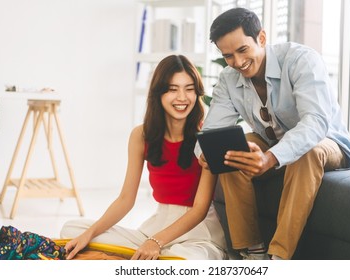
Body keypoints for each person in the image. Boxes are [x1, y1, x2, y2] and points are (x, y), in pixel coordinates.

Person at [194, 7, 350, 260]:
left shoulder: (301, 60)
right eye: (228, 56)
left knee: (307, 151)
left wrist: (271, 158)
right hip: (273, 143)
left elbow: (316, 122)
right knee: (229, 151)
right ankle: (252, 250)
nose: (238, 62)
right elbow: (211, 131)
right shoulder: (229, 79)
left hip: (326, 142)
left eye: (243, 50)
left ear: (261, 38)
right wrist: (206, 154)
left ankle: (279, 257)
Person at [61, 55, 227, 260]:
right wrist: (89, 234)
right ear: (159, 93)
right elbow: (125, 200)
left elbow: (200, 209)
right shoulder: (141, 136)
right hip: (156, 227)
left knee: (187, 262)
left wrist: (156, 241)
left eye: (189, 88)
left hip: (198, 233)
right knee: (72, 230)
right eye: (173, 89)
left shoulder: (208, 136)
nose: (182, 97)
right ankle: (144, 259)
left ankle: (124, 260)